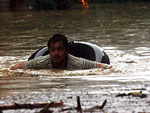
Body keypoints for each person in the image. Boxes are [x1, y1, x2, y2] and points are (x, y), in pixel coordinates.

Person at [10, 34, 111, 70]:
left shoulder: (77, 62)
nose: (56, 53)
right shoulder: (42, 62)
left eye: (60, 49)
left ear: (66, 50)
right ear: (49, 51)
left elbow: (103, 66)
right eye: (53, 50)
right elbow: (17, 67)